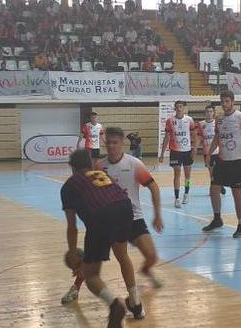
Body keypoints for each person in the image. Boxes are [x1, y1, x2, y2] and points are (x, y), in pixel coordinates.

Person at [61, 128, 164, 305]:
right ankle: (77, 286)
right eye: (107, 142)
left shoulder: (134, 164)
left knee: (151, 256)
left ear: (122, 143)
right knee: (99, 259)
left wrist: (157, 214)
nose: (110, 146)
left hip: (133, 216)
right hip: (109, 217)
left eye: (114, 142)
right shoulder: (99, 167)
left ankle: (144, 274)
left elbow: (153, 187)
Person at [61, 149, 139, 328]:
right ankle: (135, 303)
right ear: (91, 164)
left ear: (72, 167)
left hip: (101, 216)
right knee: (123, 255)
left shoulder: (69, 185)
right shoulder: (102, 174)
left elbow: (72, 227)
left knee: (92, 275)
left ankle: (115, 304)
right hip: (125, 209)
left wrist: (73, 253)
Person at [203, 90, 241, 238]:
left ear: (232, 101)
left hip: (238, 160)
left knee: (236, 193)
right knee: (214, 189)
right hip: (222, 160)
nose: (224, 104)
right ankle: (217, 218)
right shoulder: (219, 119)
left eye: (227, 101)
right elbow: (218, 137)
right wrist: (210, 153)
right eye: (222, 102)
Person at [159, 100, 198, 208]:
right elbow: (166, 137)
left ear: (183, 108)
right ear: (175, 109)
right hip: (175, 152)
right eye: (177, 107)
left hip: (187, 151)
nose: (179, 108)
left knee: (187, 176)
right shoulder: (170, 121)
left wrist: (194, 147)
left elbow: (194, 135)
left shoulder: (189, 120)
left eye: (180, 106)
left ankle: (186, 193)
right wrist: (162, 153)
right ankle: (177, 198)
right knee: (177, 174)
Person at [198, 104, 225, 195]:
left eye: (211, 112)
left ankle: (218, 185)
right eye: (207, 112)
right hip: (207, 152)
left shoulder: (216, 123)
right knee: (211, 172)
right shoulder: (201, 124)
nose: (209, 113)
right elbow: (200, 138)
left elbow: (220, 137)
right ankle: (217, 186)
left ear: (213, 113)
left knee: (219, 171)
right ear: (205, 113)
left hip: (217, 152)